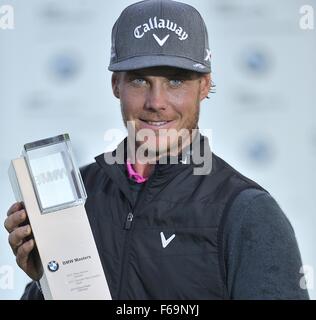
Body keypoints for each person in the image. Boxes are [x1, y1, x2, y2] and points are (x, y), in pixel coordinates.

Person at [4, 0, 309, 300]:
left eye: (175, 81)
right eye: (139, 80)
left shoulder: (247, 211)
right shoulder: (79, 195)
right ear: (115, 85)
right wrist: (48, 284)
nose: (156, 102)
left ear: (204, 87)